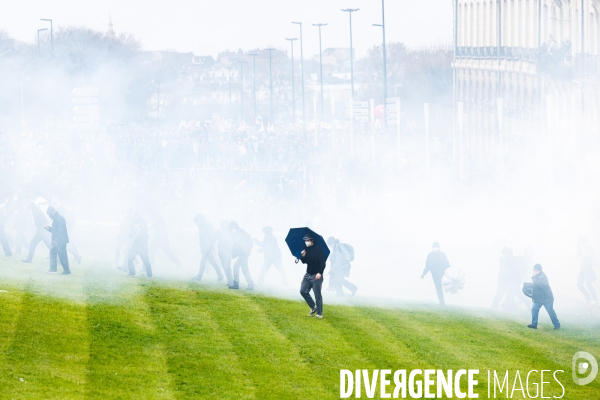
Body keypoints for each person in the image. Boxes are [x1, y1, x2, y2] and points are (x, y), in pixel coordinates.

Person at [300, 234, 326, 318]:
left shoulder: (319, 250)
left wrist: (320, 273)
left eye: (307, 240)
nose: (306, 242)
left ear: (312, 241)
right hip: (308, 274)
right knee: (303, 291)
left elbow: (323, 263)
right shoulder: (307, 249)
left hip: (316, 275)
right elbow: (304, 261)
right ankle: (313, 307)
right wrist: (303, 255)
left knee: (317, 295)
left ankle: (319, 313)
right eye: (305, 241)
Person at [192, 214, 224, 282]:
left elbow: (211, 237)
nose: (197, 222)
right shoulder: (203, 225)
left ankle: (199, 276)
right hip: (206, 247)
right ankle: (220, 275)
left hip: (207, 247)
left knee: (203, 262)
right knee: (212, 262)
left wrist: (209, 246)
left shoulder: (207, 225)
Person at [528, 264, 560, 330]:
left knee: (550, 311)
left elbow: (539, 284)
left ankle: (557, 325)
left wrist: (534, 277)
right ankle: (534, 324)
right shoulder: (537, 276)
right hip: (539, 298)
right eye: (533, 270)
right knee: (534, 309)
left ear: (539, 270)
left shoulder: (542, 277)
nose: (533, 271)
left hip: (547, 298)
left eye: (535, 270)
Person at [421, 242, 450, 306]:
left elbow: (447, 264)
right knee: (438, 287)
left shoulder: (442, 255)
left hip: (442, 274)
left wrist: (449, 272)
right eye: (434, 246)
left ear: (438, 247)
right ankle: (442, 302)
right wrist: (424, 273)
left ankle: (442, 302)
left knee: (443, 286)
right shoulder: (430, 255)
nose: (435, 248)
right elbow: (427, 266)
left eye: (436, 246)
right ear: (432, 247)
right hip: (435, 275)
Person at [44, 206, 71, 275]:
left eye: (49, 215)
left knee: (61, 255)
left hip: (60, 241)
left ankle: (56, 269)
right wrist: (49, 228)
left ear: (52, 213)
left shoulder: (59, 219)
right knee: (59, 254)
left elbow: (61, 232)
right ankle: (63, 270)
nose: (49, 217)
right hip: (59, 240)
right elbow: (55, 230)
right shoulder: (57, 218)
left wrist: (56, 240)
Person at [229, 221, 254, 290]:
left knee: (235, 267)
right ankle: (251, 285)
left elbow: (237, 244)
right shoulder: (240, 232)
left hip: (243, 254)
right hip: (244, 254)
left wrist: (234, 253)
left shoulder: (239, 233)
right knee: (245, 269)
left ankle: (236, 284)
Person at [126, 213, 152, 277]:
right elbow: (130, 235)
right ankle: (132, 272)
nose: (135, 226)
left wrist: (141, 243)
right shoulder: (134, 229)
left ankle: (149, 274)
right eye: (134, 225)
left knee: (146, 261)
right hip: (134, 247)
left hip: (142, 248)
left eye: (136, 225)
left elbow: (147, 237)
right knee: (129, 258)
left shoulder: (143, 230)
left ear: (139, 224)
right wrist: (132, 229)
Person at [576, 236, 597, 304]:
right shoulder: (581, 249)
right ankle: (588, 297)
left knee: (589, 285)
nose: (582, 243)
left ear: (586, 242)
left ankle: (595, 299)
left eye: (583, 241)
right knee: (579, 285)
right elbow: (577, 256)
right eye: (581, 241)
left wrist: (583, 250)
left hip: (588, 269)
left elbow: (588, 256)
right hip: (582, 269)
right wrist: (578, 249)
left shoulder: (590, 248)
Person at [216, 220, 234, 286]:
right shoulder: (218, 232)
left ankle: (231, 281)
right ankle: (229, 280)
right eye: (222, 224)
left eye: (224, 225)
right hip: (221, 251)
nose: (223, 226)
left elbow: (234, 241)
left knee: (227, 266)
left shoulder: (230, 232)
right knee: (224, 266)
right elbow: (213, 239)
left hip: (228, 251)